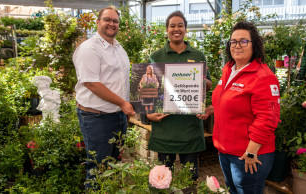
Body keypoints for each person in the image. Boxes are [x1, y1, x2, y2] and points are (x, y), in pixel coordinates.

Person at [197, 21, 280, 194]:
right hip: (226, 151)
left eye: (243, 41)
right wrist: (212, 109)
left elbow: (268, 119)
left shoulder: (263, 76)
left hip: (248, 155)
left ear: (254, 45)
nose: (237, 45)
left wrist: (251, 152)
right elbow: (229, 101)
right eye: (233, 42)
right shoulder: (229, 69)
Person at [73, 6, 135, 190]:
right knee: (98, 168)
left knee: (113, 166)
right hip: (97, 118)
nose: (111, 24)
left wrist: (128, 105)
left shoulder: (118, 48)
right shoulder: (89, 49)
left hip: (117, 116)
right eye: (107, 19)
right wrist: (123, 103)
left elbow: (121, 81)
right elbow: (91, 83)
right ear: (98, 22)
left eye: (115, 21)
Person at [146, 11, 212, 182]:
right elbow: (148, 88)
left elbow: (209, 84)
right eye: (172, 26)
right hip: (164, 129)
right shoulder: (155, 57)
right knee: (162, 180)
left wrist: (195, 80)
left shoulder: (197, 56)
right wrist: (147, 113)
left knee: (189, 179)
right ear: (166, 30)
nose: (176, 29)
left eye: (180, 25)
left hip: (189, 129)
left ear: (185, 29)